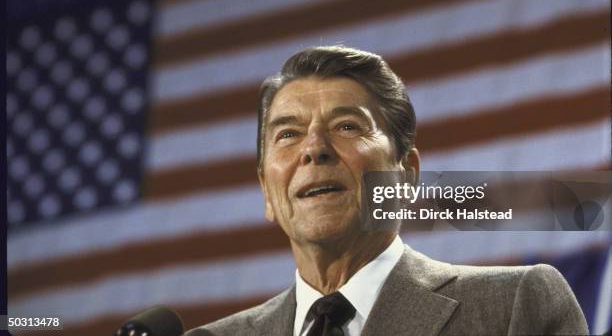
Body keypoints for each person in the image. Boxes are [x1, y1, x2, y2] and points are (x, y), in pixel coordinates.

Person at [185, 46, 588, 336]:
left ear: (407, 175)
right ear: (267, 193)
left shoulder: (512, 305)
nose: (313, 149)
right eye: (288, 134)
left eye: (346, 126)